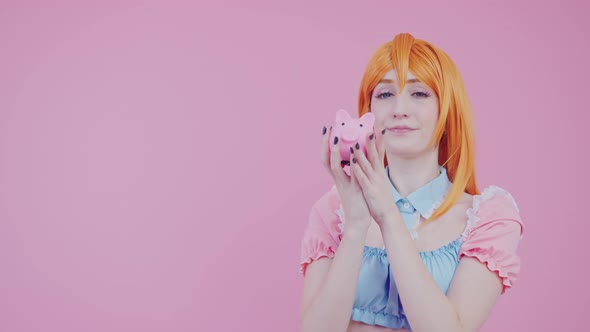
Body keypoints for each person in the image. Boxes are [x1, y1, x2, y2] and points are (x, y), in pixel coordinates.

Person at [298, 33, 525, 332]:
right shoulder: (333, 210)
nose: (399, 109)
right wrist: (355, 226)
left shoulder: (489, 218)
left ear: (447, 109)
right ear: (368, 111)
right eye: (385, 94)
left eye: (419, 93)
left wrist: (388, 217)